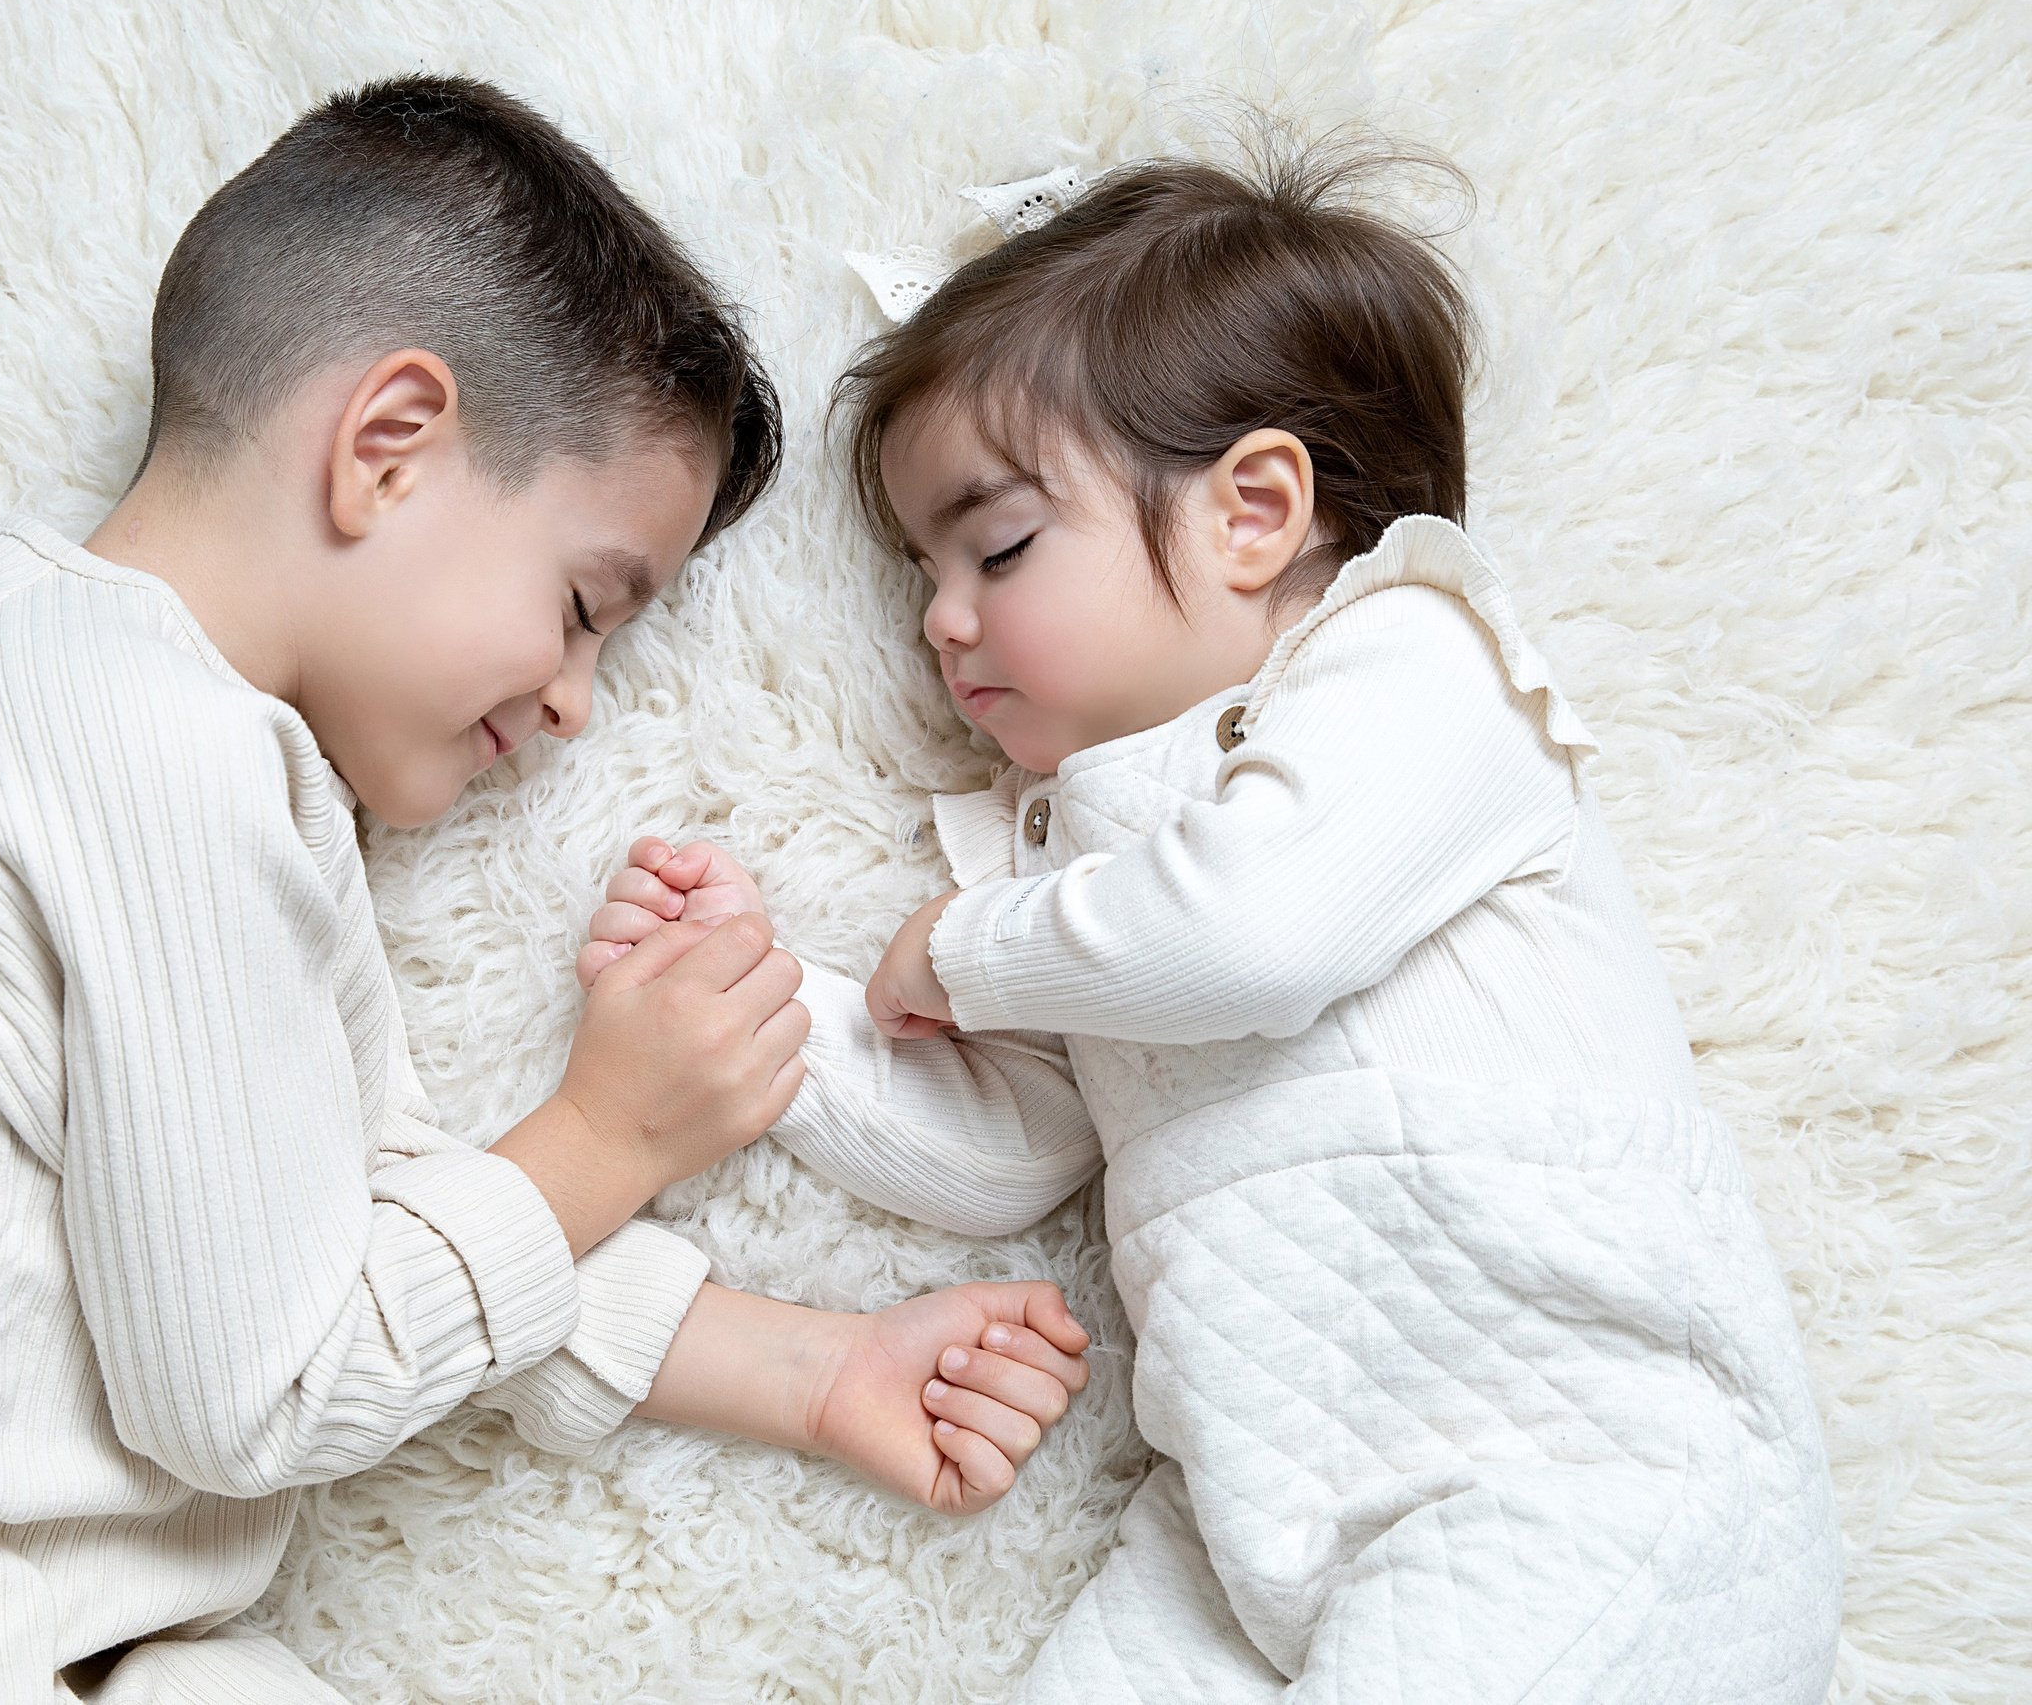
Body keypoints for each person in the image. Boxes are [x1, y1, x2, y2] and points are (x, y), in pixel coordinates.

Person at [0, 76, 1091, 1705]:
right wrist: (611, 1132)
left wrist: (814, 1363)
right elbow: (259, 1388)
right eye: (582, 605)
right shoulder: (138, 742)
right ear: (389, 447)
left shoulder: (106, 721)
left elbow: (333, 1232)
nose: (575, 701)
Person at [583, 143, 1841, 1702]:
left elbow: (1258, 933)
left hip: (1585, 1470)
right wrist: (771, 1009)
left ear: (1256, 510)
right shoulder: (1073, 872)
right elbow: (999, 1150)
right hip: (1253, 1510)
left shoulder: (1418, 668)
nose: (942, 621)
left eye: (1001, 546)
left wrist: (965, 953)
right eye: (923, 569)